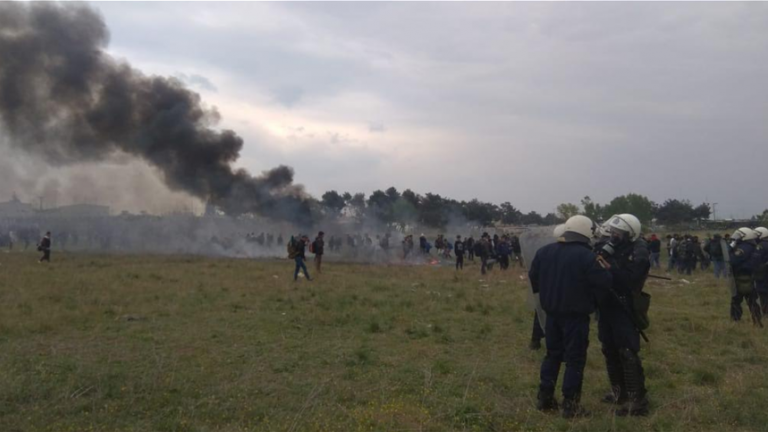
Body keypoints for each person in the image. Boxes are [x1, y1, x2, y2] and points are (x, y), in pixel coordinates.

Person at [530, 215, 611, 418]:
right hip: (576, 317)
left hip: (551, 314)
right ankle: (570, 404)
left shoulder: (544, 251)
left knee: (552, 355)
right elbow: (604, 284)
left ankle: (545, 397)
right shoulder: (588, 257)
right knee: (575, 360)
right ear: (586, 232)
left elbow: (533, 278)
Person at [596, 214, 651, 417]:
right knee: (608, 349)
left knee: (627, 351)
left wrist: (609, 268)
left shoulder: (639, 250)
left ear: (630, 233)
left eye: (618, 232)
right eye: (613, 231)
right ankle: (618, 393)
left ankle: (637, 400)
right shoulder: (610, 246)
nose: (614, 235)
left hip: (625, 305)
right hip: (606, 304)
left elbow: (631, 281)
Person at [729, 228, 759, 322]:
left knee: (738, 299)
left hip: (743, 276)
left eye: (738, 236)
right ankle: (757, 319)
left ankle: (736, 318)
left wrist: (730, 250)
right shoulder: (749, 246)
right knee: (751, 300)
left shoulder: (744, 247)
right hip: (746, 276)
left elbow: (734, 260)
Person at [753, 227, 768, 314]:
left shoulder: (761, 246)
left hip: (763, 274)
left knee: (763, 293)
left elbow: (756, 260)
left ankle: (765, 313)